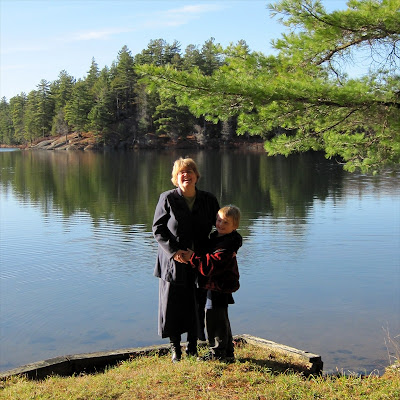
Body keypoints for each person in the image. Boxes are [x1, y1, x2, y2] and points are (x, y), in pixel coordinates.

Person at [152, 157, 220, 363]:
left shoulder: (208, 200)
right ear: (175, 178)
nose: (186, 175)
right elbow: (158, 230)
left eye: (189, 171)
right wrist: (175, 252)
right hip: (172, 262)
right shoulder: (167, 198)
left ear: (196, 176)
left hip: (199, 260)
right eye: (181, 172)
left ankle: (192, 347)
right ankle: (175, 349)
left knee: (197, 303)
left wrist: (224, 250)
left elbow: (220, 228)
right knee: (172, 305)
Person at [184, 205, 242, 362]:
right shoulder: (217, 238)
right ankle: (228, 352)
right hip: (217, 285)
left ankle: (217, 353)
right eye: (218, 220)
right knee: (221, 318)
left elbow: (211, 265)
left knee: (214, 319)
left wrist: (192, 258)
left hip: (219, 286)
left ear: (235, 226)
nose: (220, 224)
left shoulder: (227, 245)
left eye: (226, 222)